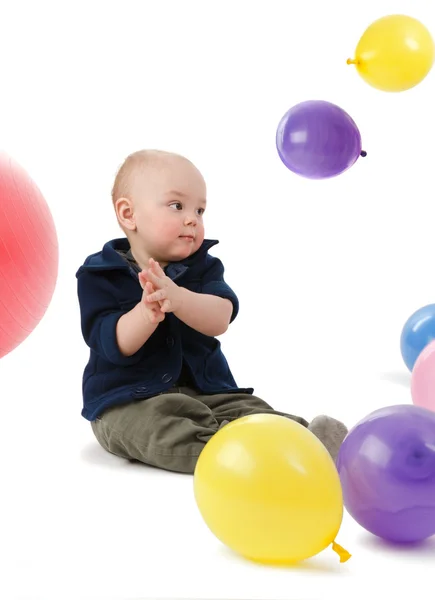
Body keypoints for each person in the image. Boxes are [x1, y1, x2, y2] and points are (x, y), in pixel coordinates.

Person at [76, 149, 348, 474]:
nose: (192, 218)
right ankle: (232, 453)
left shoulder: (202, 267)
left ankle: (308, 441)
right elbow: (112, 343)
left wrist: (179, 299)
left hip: (208, 391)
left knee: (253, 410)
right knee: (153, 430)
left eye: (200, 210)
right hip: (129, 400)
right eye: (177, 206)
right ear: (128, 213)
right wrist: (145, 314)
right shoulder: (100, 273)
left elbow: (220, 318)